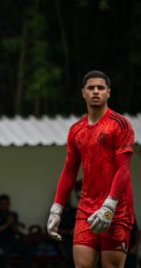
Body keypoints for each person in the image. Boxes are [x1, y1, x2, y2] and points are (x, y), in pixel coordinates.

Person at [46, 70, 135, 268]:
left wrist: (109, 206)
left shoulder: (120, 125)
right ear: (83, 93)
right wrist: (56, 209)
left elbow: (124, 169)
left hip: (117, 210)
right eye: (91, 88)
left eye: (101, 88)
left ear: (108, 93)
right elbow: (69, 171)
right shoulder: (76, 130)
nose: (96, 91)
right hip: (86, 210)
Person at [0, 194, 32, 268]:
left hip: (12, 241)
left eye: (6, 204)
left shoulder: (13, 214)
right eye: (2, 204)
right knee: (3, 253)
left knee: (29, 250)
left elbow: (15, 231)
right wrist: (6, 224)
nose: (5, 206)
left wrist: (15, 225)